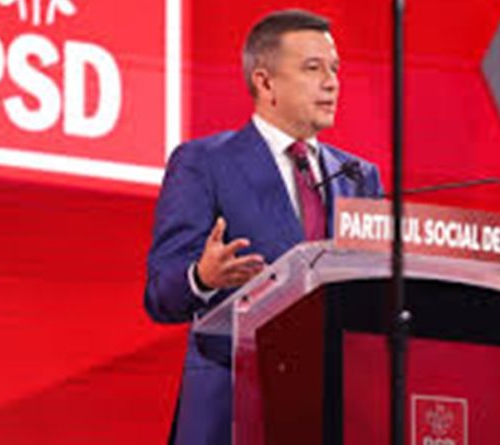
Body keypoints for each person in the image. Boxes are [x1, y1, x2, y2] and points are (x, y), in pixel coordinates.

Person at [144, 9, 383, 445]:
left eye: (334, 69)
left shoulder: (359, 177)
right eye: (313, 68)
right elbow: (160, 294)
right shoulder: (203, 163)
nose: (331, 82)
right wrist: (202, 277)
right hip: (232, 410)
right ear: (265, 82)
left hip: (330, 411)